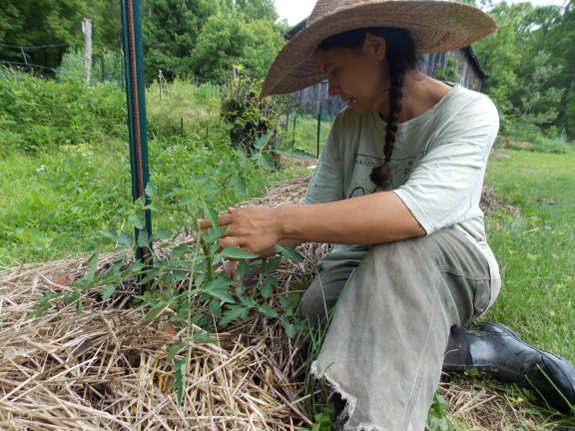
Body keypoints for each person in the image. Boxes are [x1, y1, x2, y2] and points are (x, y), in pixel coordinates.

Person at [201, 0, 575, 429]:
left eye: (334, 70)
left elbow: (412, 215)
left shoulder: (468, 112)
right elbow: (315, 212)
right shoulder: (349, 124)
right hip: (362, 265)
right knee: (314, 316)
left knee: (395, 258)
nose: (331, 89)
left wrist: (279, 220)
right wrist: (241, 249)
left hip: (451, 264)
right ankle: (481, 351)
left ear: (375, 46)